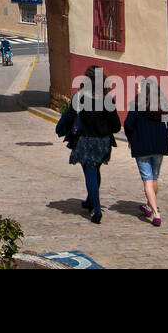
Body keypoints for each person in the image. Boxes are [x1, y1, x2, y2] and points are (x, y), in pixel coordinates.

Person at [56, 64, 121, 223]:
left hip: (86, 141)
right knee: (95, 170)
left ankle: (96, 209)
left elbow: (70, 115)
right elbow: (116, 126)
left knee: (90, 173)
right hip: (103, 142)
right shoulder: (107, 99)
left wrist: (63, 128)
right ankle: (90, 200)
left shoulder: (81, 97)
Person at [122, 77, 168, 227]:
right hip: (159, 147)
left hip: (142, 147)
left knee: (147, 180)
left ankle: (156, 213)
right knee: (154, 178)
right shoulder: (162, 105)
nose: (137, 90)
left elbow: (128, 125)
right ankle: (148, 206)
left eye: (139, 88)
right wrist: (164, 136)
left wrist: (131, 138)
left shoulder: (137, 105)